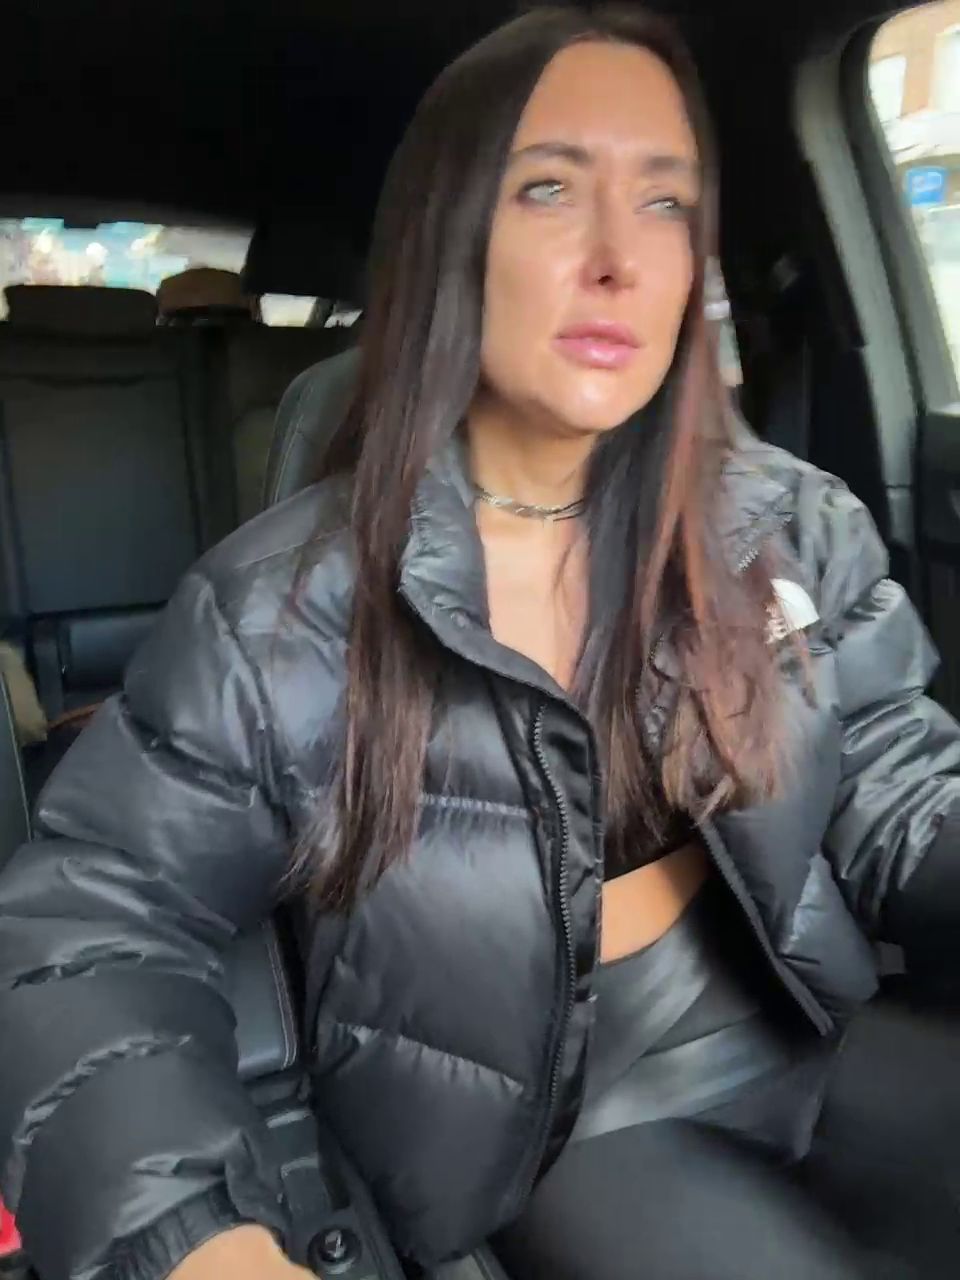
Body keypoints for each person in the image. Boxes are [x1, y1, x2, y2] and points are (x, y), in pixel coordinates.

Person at [1, 7, 958, 1280]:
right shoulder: (284, 609)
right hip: (545, 1128)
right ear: (449, 238)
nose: (618, 257)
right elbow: (89, 925)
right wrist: (190, 1238)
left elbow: (906, 800)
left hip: (813, 1027)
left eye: (666, 203)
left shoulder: (788, 522)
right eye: (550, 188)